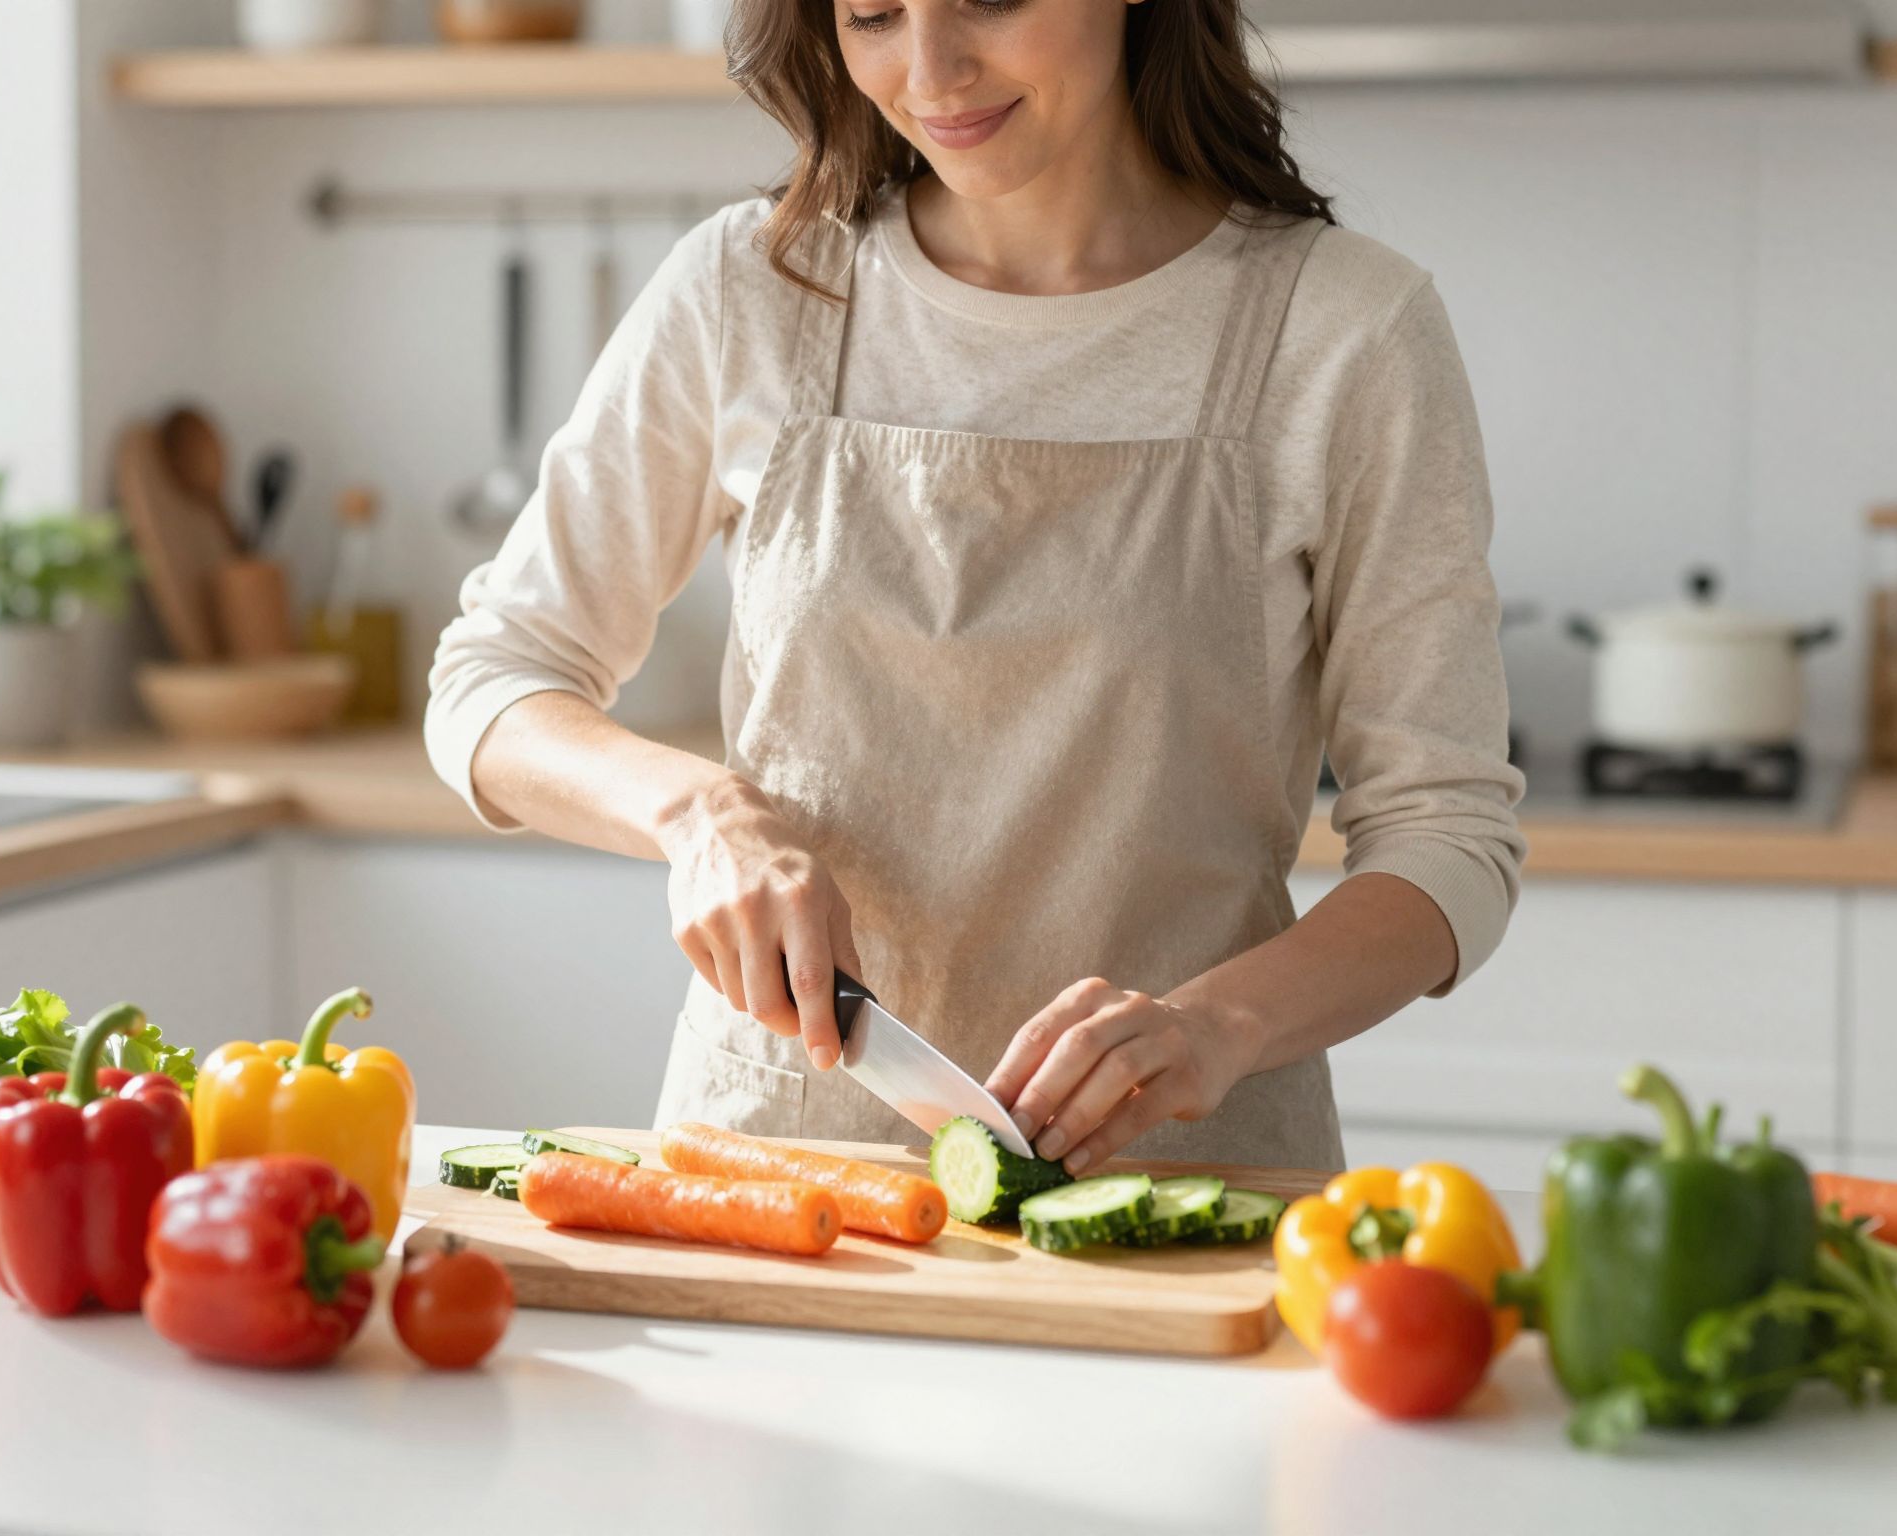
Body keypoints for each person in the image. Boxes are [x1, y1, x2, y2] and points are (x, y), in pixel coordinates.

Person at [426, 0, 1526, 1176]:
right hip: (780, 1180)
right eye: (875, 15)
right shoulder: (751, 288)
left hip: (1180, 1198)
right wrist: (701, 819)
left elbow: (1445, 836)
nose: (932, 72)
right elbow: (492, 681)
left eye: (989, 0)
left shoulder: (1343, 329)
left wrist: (1215, 1027)